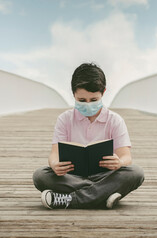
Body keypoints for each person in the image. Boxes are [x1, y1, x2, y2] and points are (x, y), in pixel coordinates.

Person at [33, 62, 144, 209]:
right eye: (81, 100)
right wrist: (54, 164)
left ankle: (67, 200)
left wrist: (119, 163)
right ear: (73, 94)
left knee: (136, 173)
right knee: (41, 175)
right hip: (72, 177)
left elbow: (126, 157)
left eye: (93, 100)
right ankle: (103, 194)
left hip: (104, 176)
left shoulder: (115, 120)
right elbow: (54, 154)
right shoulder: (64, 119)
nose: (88, 105)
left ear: (103, 93)